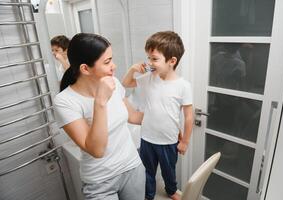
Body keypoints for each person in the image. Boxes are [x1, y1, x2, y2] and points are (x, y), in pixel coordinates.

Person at [54, 33, 145, 200]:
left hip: (132, 167)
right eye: (107, 62)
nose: (114, 66)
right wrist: (100, 102)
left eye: (112, 59)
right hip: (100, 181)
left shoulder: (115, 83)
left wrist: (167, 118)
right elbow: (96, 150)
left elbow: (133, 116)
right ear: (85, 69)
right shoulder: (65, 101)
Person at [122, 31, 194, 200]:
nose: (149, 63)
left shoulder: (183, 86)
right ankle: (148, 195)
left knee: (169, 170)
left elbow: (189, 116)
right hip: (147, 137)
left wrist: (184, 141)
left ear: (172, 61)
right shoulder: (149, 78)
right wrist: (133, 69)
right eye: (148, 58)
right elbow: (126, 83)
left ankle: (171, 190)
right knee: (147, 171)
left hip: (169, 140)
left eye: (154, 59)